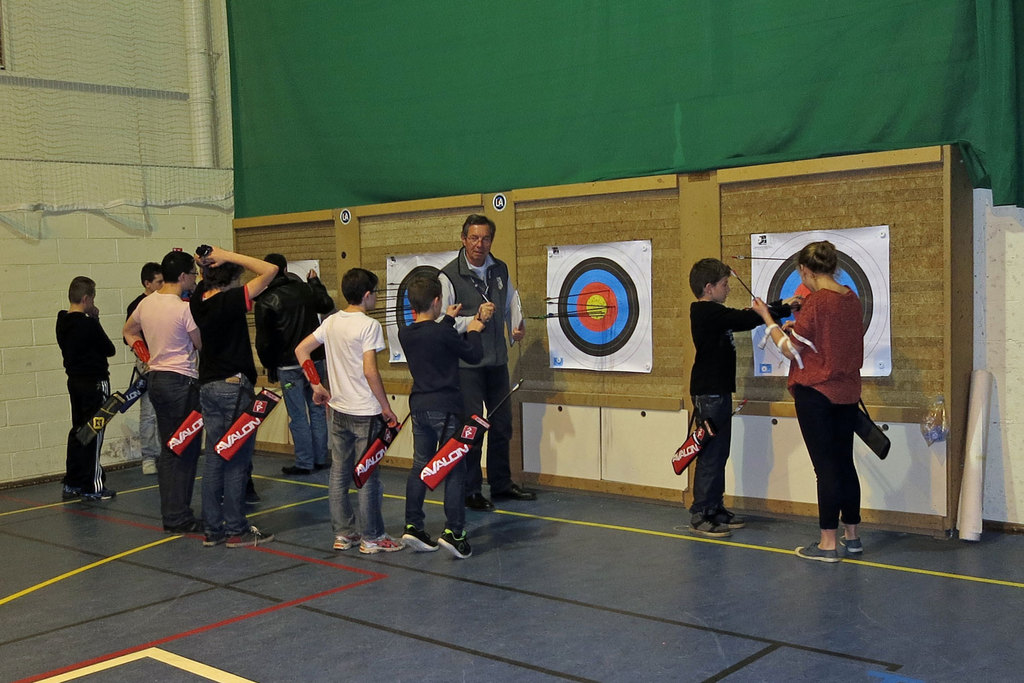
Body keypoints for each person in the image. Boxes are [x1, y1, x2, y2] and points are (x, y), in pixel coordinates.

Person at [753, 241, 864, 563]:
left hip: (816, 394)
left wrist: (768, 319)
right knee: (844, 464)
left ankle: (828, 543)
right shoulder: (851, 298)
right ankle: (852, 537)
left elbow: (790, 350)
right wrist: (797, 326)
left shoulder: (816, 302)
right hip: (847, 392)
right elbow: (824, 337)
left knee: (825, 468)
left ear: (805, 270)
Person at [295, 267, 404, 554]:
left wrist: (316, 384)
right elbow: (370, 371)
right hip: (365, 411)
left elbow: (301, 350)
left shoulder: (331, 321)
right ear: (367, 295)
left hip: (338, 410)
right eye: (375, 292)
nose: (376, 297)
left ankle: (344, 534)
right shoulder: (369, 325)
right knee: (367, 475)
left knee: (339, 473)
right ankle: (372, 537)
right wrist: (385, 407)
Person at [687, 258, 795, 537]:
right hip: (709, 393)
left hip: (718, 392)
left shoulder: (715, 312)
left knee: (720, 452)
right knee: (711, 454)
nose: (728, 288)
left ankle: (715, 507)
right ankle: (701, 513)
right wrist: (780, 309)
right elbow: (746, 318)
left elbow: (746, 314)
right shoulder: (705, 311)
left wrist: (782, 305)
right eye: (724, 284)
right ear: (709, 288)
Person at [439, 214, 533, 511]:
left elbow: (511, 304)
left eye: (486, 238)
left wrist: (516, 326)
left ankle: (501, 484)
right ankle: (470, 490)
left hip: (497, 361)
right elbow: (443, 323)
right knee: (471, 428)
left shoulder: (500, 269)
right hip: (466, 365)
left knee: (502, 424)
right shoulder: (448, 275)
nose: (480, 244)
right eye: (474, 238)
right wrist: (475, 318)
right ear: (463, 239)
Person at [189, 247, 278, 547]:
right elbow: (270, 270)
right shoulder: (229, 300)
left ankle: (213, 529)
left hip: (208, 387)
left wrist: (205, 264)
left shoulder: (198, 301)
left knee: (215, 458)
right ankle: (236, 529)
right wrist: (227, 254)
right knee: (237, 459)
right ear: (229, 278)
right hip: (232, 387)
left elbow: (203, 280)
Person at [399, 275, 485, 559]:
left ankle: (413, 525)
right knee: (454, 469)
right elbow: (473, 354)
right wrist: (474, 329)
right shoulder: (443, 334)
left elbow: (433, 336)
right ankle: (454, 533)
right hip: (446, 408)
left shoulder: (406, 333)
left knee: (420, 465)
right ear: (437, 301)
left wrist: (448, 319)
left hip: (419, 408)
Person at [123, 250, 203, 533]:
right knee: (186, 449)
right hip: (181, 382)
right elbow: (199, 344)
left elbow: (129, 331)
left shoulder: (146, 303)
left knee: (170, 449)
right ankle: (179, 515)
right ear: (182, 276)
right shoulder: (183, 309)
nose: (195, 278)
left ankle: (172, 513)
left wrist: (146, 356)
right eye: (193, 274)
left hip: (156, 379)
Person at [254, 253, 335, 475]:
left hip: (288, 366)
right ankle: (320, 459)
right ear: (285, 269)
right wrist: (315, 283)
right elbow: (327, 304)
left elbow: (264, 342)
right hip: (313, 360)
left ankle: (304, 462)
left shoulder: (265, 300)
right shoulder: (305, 289)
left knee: (298, 415)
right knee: (317, 410)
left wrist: (270, 365)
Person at [56, 276, 117, 501]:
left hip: (75, 382)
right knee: (93, 432)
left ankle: (73, 481)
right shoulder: (88, 324)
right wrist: (96, 319)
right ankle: (93, 484)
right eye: (92, 298)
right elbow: (109, 349)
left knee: (79, 431)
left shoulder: (62, 321)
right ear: (86, 299)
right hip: (95, 383)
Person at [125, 262, 163, 475]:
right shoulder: (137, 306)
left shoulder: (167, 302)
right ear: (147, 283)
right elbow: (129, 336)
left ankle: (168, 453)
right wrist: (146, 358)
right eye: (159, 281)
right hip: (147, 364)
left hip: (167, 363)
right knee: (148, 413)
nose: (162, 285)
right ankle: (148, 456)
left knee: (168, 410)